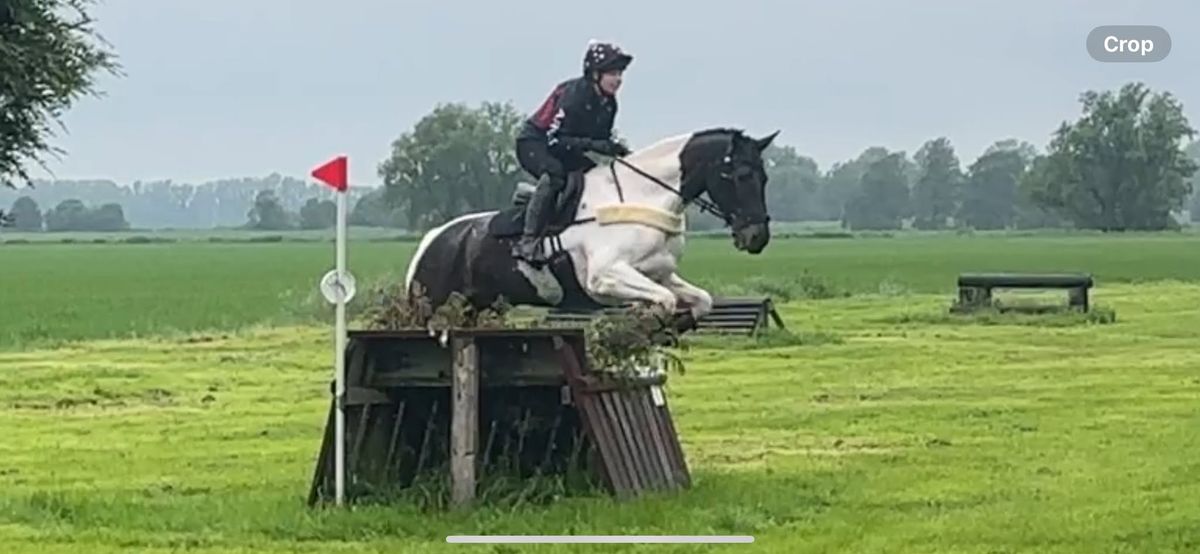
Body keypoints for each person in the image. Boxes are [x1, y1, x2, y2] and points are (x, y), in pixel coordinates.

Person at [512, 40, 633, 264]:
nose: (618, 80)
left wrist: (618, 151)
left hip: (563, 146)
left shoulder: (609, 103)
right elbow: (555, 139)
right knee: (555, 175)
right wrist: (597, 145)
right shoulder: (574, 95)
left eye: (620, 74)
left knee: (596, 176)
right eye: (613, 74)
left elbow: (599, 139)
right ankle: (528, 240)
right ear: (595, 74)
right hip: (535, 143)